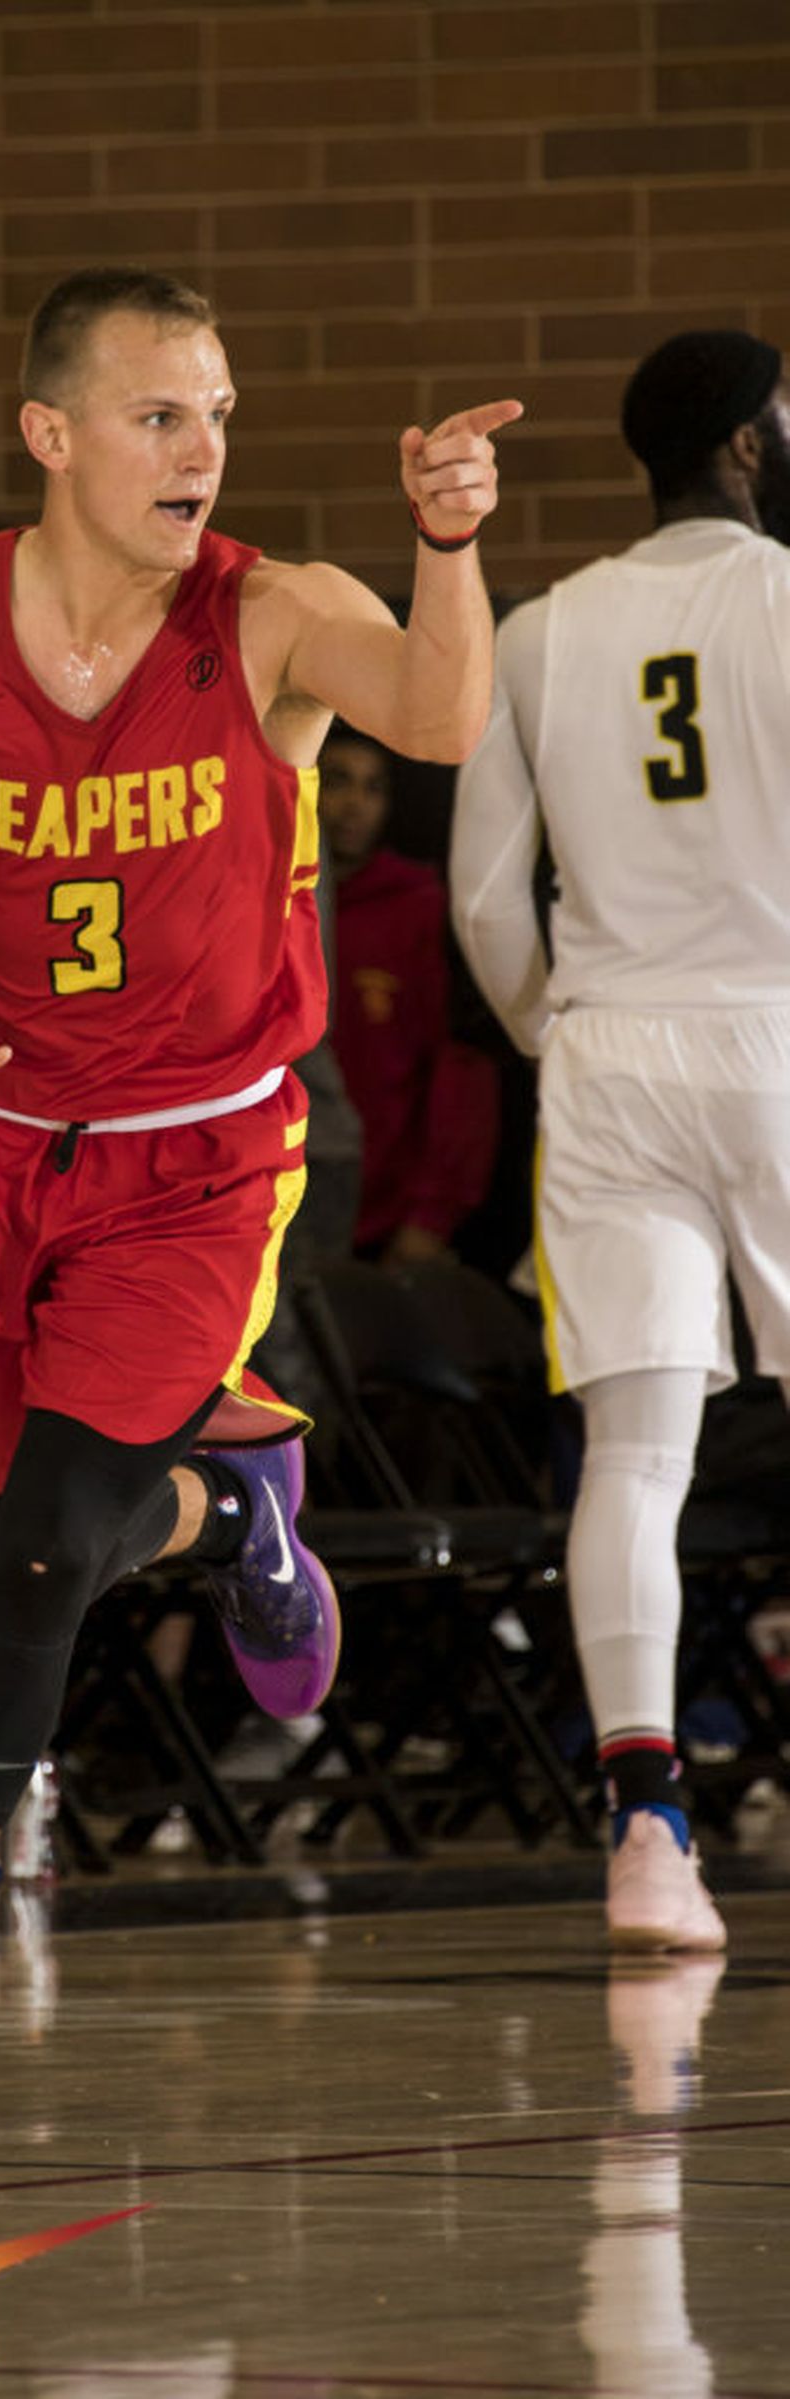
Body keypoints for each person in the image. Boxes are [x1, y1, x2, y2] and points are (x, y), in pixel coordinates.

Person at [0, 264, 519, 2119]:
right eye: (163, 415)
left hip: (207, 1158)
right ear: (51, 434)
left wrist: (445, 544)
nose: (203, 450)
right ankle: (233, 1521)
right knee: (42, 1516)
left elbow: (444, 718)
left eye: (221, 413)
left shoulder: (271, 612)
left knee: (40, 1549)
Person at [451, 327, 790, 1955]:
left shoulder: (540, 625)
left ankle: (648, 1831)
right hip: (779, 1024)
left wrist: (556, 1026)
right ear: (743, 437)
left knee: (638, 1453)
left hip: (609, 1047)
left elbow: (477, 896)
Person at [317, 724, 497, 1261]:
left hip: (388, 1222)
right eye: (337, 782)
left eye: (373, 789)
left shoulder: (417, 908)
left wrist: (432, 1213)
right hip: (284, 1205)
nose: (354, 804)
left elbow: (460, 1066)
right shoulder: (267, 901)